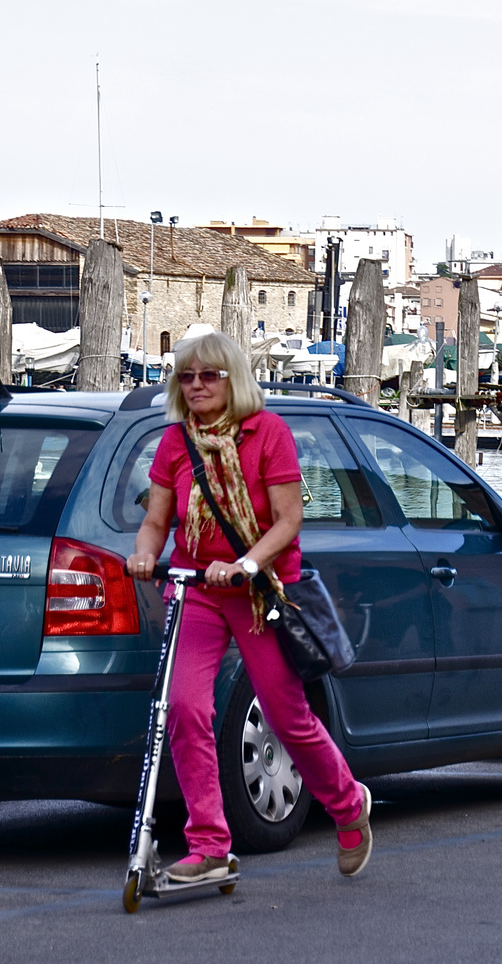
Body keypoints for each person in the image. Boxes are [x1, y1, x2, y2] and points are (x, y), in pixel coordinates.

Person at [125, 329, 372, 879]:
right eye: (186, 376)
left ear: (232, 379)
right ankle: (210, 845)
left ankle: (347, 803)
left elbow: (288, 521)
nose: (196, 385)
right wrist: (143, 555)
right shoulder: (175, 443)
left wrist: (247, 565)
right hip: (198, 591)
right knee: (185, 710)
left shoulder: (268, 433)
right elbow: (155, 522)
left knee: (287, 716)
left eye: (208, 375)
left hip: (262, 594)